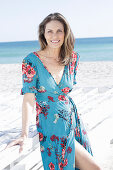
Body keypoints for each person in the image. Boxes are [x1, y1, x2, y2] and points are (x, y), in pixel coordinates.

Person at [6, 13, 101, 170]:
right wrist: (24, 134)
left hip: (73, 120)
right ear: (43, 33)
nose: (54, 36)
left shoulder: (73, 59)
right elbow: (29, 99)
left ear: (66, 33)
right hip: (50, 123)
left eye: (59, 31)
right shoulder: (31, 60)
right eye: (49, 31)